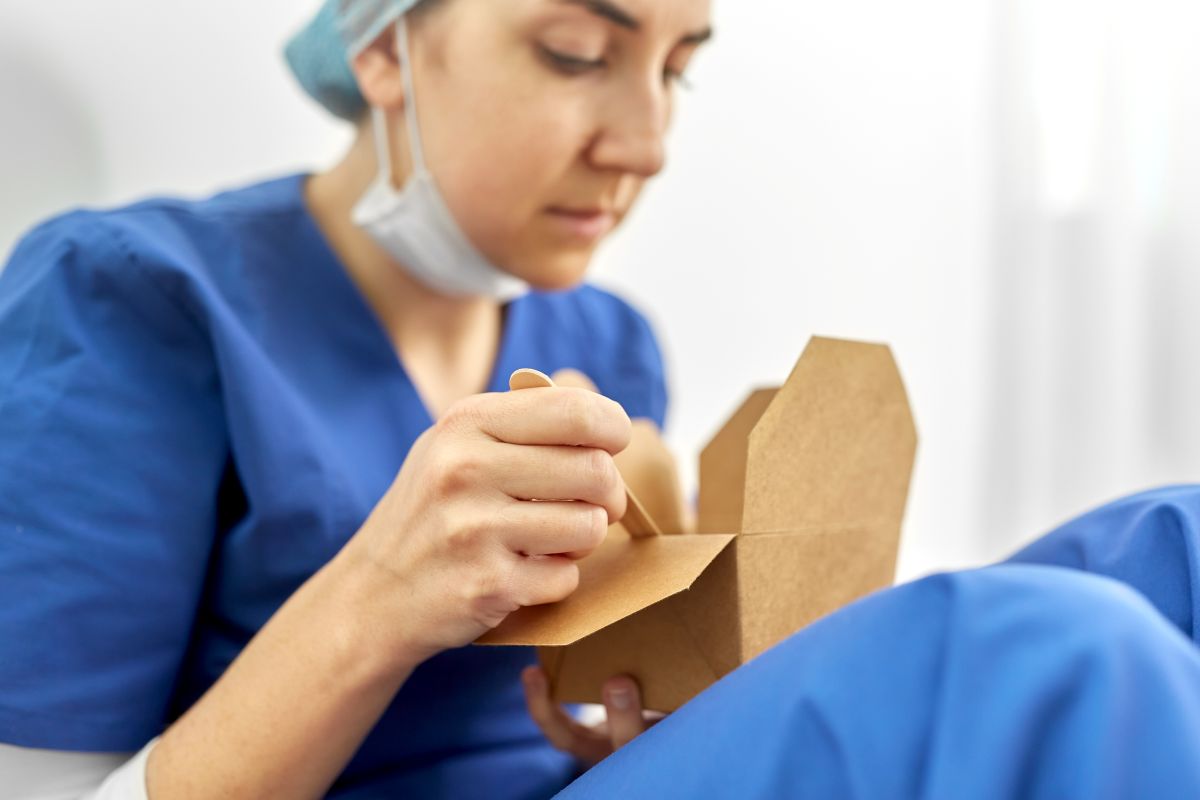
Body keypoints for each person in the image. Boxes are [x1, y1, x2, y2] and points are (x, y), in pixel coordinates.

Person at [3, 1, 1200, 799]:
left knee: (1181, 547)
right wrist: (374, 599)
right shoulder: (134, 299)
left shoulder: (604, 342)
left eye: (679, 69)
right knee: (1055, 652)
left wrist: (643, 720)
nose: (648, 141)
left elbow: (589, 702)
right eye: (577, 50)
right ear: (384, 50)